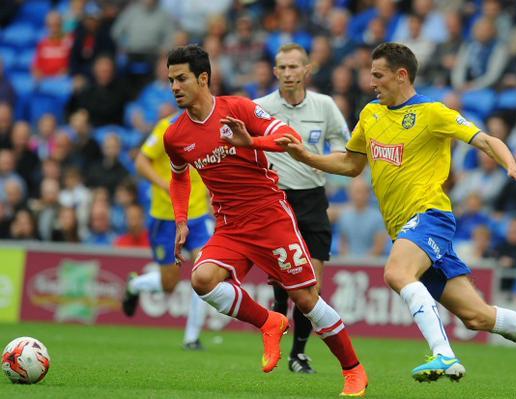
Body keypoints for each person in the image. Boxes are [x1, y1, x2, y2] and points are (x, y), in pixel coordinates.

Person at [273, 42, 516, 398]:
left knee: (396, 273)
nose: (371, 81)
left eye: (377, 74)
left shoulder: (432, 113)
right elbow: (351, 164)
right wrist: (306, 156)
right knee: (477, 317)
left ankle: (443, 354)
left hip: (430, 217)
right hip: (405, 230)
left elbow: (485, 139)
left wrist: (511, 165)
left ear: (401, 75)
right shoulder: (371, 114)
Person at [163, 44, 367, 396]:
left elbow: (292, 138)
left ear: (203, 78)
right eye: (170, 80)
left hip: (271, 217)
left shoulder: (238, 109)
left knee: (306, 299)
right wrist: (181, 219)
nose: (175, 87)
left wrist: (250, 140)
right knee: (201, 279)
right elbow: (179, 176)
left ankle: (353, 369)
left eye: (181, 78)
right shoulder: (175, 135)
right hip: (230, 226)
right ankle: (269, 321)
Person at [253, 43, 350, 374]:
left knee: (313, 285)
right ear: (275, 71)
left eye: (295, 67)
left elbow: (343, 144)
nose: (289, 73)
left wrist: (319, 160)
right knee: (284, 283)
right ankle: (279, 320)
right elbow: (242, 148)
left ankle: (299, 353)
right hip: (276, 199)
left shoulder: (324, 106)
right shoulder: (260, 107)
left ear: (307, 70)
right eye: (283, 67)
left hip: (312, 198)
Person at [122, 113, 212, 350]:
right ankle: (136, 285)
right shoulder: (167, 127)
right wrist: (165, 184)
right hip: (166, 216)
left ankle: (191, 338)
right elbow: (141, 162)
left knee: (205, 274)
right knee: (169, 283)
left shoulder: (211, 124)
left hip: (198, 215)